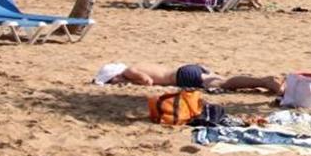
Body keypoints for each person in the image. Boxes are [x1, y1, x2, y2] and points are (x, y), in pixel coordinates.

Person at [92, 62, 283, 93]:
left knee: (226, 84)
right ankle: (264, 82)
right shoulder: (135, 65)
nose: (113, 83)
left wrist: (126, 82)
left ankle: (264, 81)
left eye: (111, 81)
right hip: (186, 70)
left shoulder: (130, 71)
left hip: (182, 77)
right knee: (226, 81)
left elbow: (147, 82)